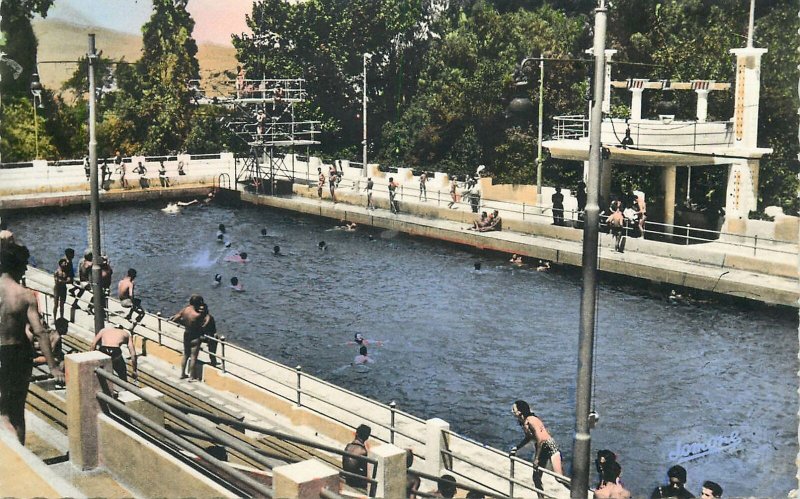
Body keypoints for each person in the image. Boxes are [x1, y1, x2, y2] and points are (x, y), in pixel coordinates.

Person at [0, 242, 64, 444]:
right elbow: (40, 332)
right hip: (18, 354)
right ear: (16, 266)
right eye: (24, 265)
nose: (26, 269)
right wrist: (53, 366)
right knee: (16, 411)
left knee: (2, 411)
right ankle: (20, 449)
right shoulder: (25, 295)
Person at [511, 400, 564, 494]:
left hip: (550, 447)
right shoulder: (523, 422)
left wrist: (536, 459)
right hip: (541, 449)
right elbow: (528, 438)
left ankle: (578, 488)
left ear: (519, 411)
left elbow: (541, 440)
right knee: (536, 477)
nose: (512, 411)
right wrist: (517, 447)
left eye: (513, 409)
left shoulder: (531, 420)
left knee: (559, 478)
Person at [171, 294, 206, 381]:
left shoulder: (185, 310)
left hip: (186, 334)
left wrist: (183, 322)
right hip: (195, 336)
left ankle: (182, 373)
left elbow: (175, 318)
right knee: (193, 356)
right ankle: (191, 376)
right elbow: (202, 325)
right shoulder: (197, 315)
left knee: (186, 355)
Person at [342, 424, 371, 488]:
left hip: (347, 478)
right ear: (367, 437)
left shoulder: (348, 446)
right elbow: (366, 471)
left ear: (356, 433)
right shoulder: (363, 451)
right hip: (355, 482)